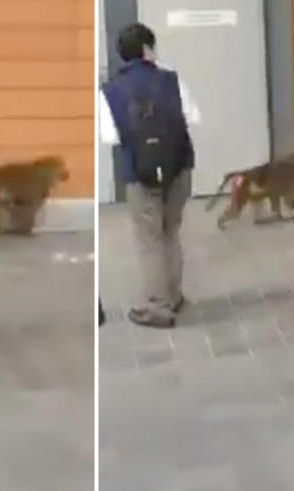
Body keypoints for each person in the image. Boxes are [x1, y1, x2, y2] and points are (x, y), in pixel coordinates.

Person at [99, 23, 201, 329]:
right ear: (147, 50)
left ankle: (158, 307)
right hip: (178, 168)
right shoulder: (172, 79)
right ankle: (174, 296)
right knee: (170, 231)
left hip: (140, 174)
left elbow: (109, 137)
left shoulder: (110, 91)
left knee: (149, 240)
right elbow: (194, 117)